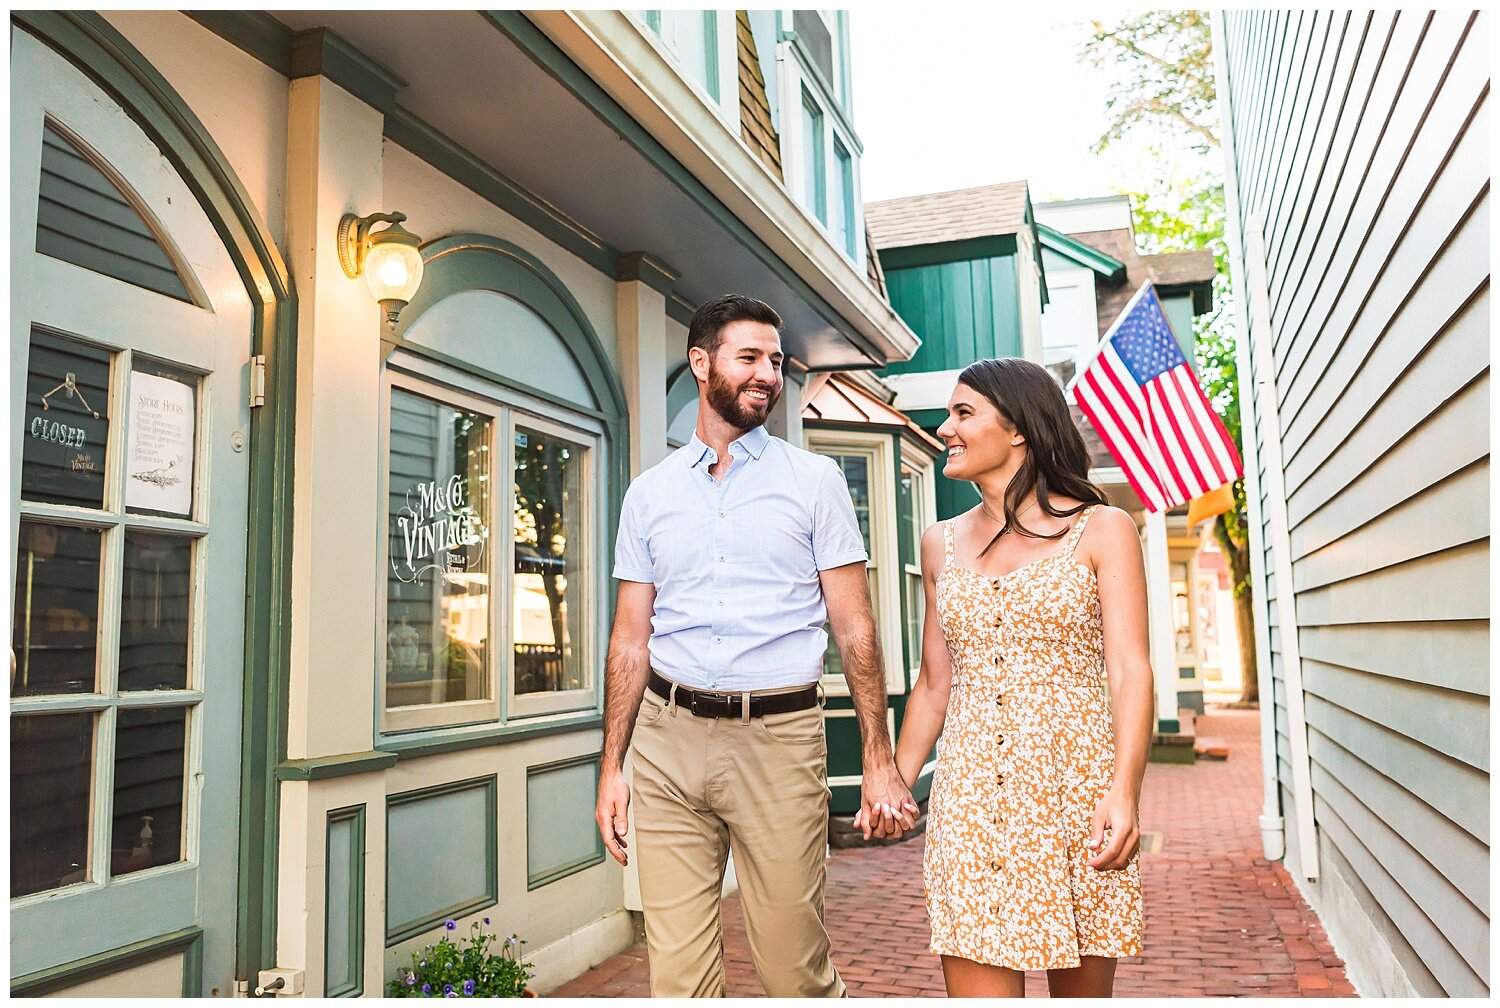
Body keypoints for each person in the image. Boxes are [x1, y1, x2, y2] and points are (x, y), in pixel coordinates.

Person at [596, 293, 919, 998]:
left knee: (791, 970)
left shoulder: (815, 483)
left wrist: (877, 757)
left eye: (775, 361)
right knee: (677, 977)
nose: (768, 374)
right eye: (750, 358)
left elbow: (855, 628)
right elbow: (629, 641)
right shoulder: (648, 496)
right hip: (667, 739)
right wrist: (611, 766)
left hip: (777, 739)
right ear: (701, 362)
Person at [870, 357, 1152, 997]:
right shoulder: (939, 542)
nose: (946, 428)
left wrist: (1124, 791)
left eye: (963, 413)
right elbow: (934, 683)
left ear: (1019, 428)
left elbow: (1131, 668)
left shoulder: (1102, 529)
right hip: (971, 803)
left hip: (1073, 796)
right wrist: (895, 782)